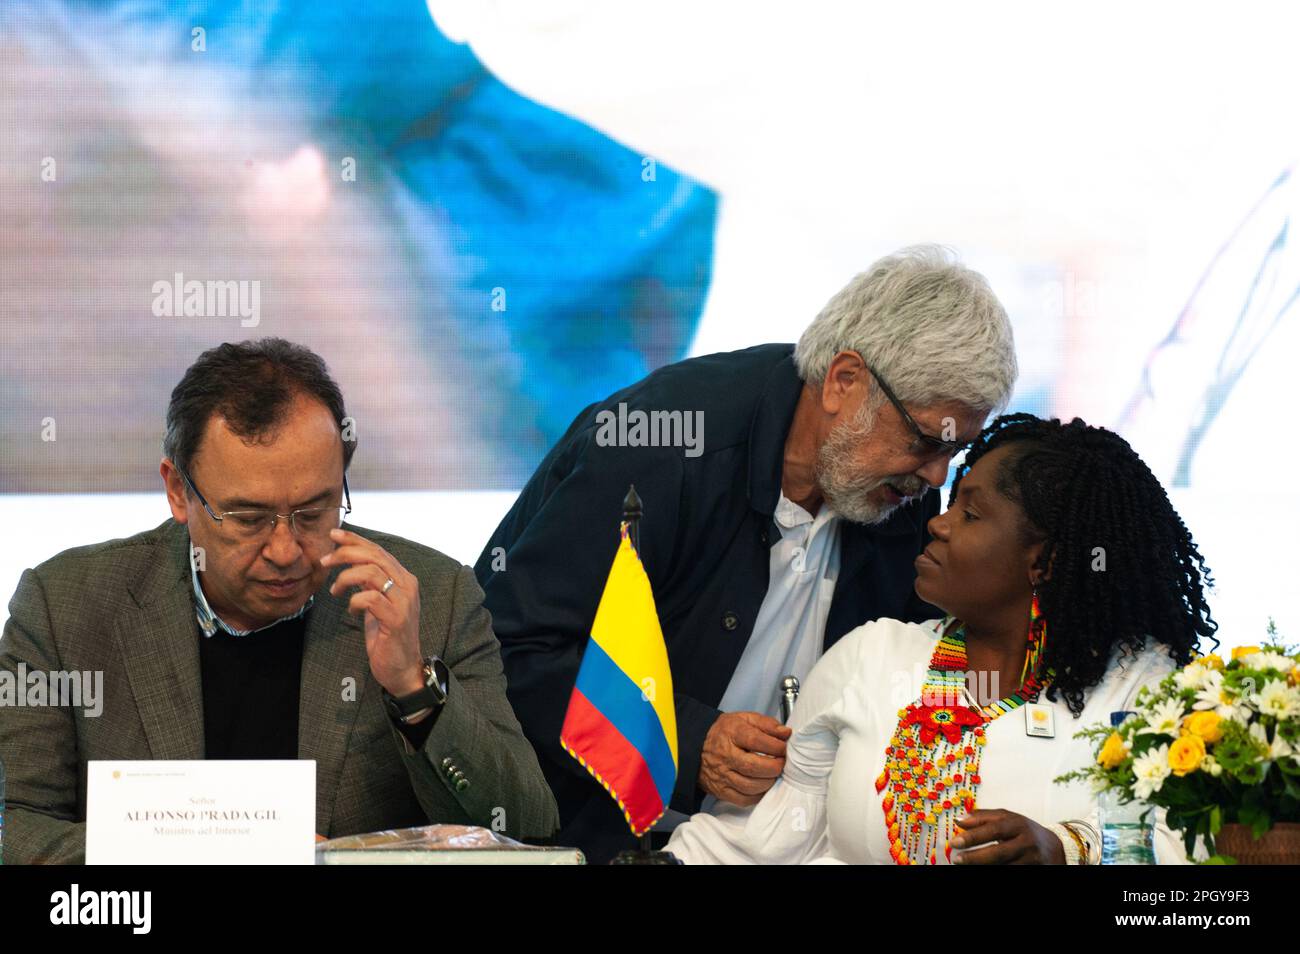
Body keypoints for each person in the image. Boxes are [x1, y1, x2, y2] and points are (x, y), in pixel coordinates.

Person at [475, 246, 1019, 861]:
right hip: (590, 840)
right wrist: (684, 742)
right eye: (924, 440)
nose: (935, 476)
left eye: (956, 451)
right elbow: (507, 652)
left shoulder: (901, 494)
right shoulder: (660, 445)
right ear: (844, 381)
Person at [0, 339, 559, 864]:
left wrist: (415, 689)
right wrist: (226, 850)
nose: (286, 550)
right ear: (178, 491)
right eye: (248, 518)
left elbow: (526, 829)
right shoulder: (66, 607)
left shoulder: (431, 598)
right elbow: (16, 827)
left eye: (315, 513)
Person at [666, 414, 1217, 864]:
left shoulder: (1146, 690)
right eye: (951, 503)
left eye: (971, 513)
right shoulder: (871, 657)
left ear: (1044, 561)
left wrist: (1067, 851)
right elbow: (766, 840)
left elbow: (1190, 854)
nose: (938, 523)